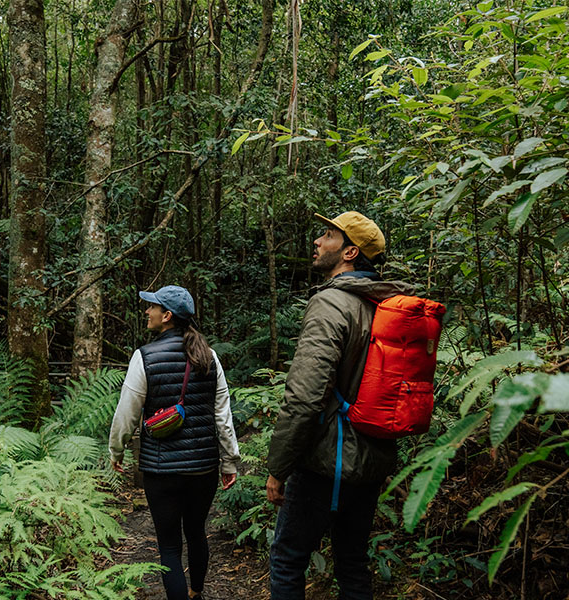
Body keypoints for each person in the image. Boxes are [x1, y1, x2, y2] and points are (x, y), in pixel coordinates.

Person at [265, 211, 414, 600]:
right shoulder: (382, 303)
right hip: (370, 461)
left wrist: (279, 466)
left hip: (325, 463)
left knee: (287, 559)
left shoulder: (331, 304)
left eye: (328, 236)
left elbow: (304, 395)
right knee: (352, 563)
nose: (317, 241)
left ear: (349, 252)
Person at [109, 285, 241, 600]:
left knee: (169, 545)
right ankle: (196, 592)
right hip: (202, 468)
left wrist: (117, 450)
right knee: (196, 533)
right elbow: (222, 416)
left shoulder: (144, 357)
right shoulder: (210, 357)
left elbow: (126, 413)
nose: (147, 311)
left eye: (152, 307)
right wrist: (229, 461)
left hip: (160, 469)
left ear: (166, 316)